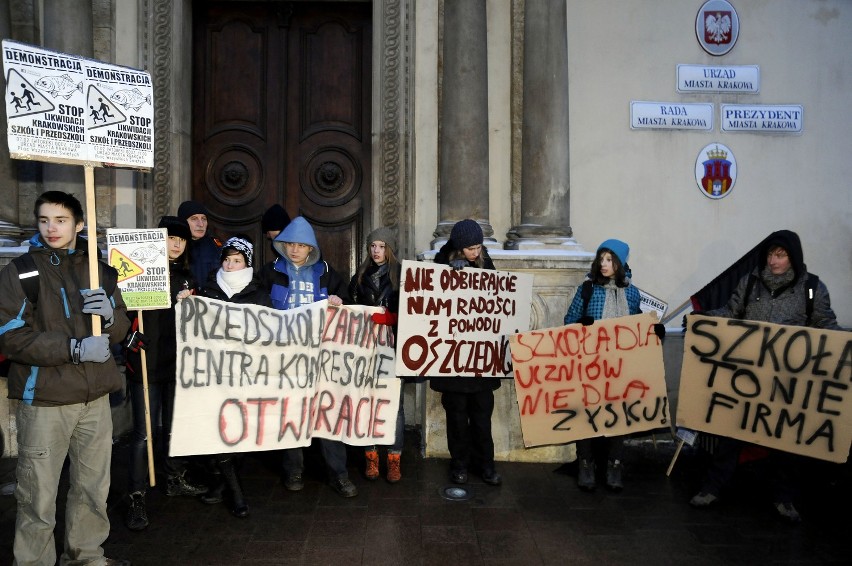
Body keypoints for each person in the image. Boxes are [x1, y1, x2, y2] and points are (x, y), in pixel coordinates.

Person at [0, 191, 131, 566]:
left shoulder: (101, 270)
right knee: (37, 496)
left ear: (79, 224)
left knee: (92, 490)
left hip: (96, 399)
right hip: (46, 400)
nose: (51, 228)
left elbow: (120, 327)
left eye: (60, 220)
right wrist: (73, 348)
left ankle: (85, 556)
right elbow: (9, 335)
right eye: (44, 220)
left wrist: (109, 317)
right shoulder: (22, 271)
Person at [688, 229, 842, 523]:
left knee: (787, 442)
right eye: (771, 254)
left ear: (793, 257)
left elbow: (825, 324)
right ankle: (712, 488)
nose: (774, 260)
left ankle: (784, 498)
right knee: (730, 433)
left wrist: (843, 344)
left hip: (787, 381)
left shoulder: (811, 288)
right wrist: (705, 318)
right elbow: (731, 313)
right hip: (748, 378)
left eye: (781, 255)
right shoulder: (749, 284)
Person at [259, 216, 358, 498]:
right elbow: (255, 306)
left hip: (322, 359)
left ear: (310, 248)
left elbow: (348, 305)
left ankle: (339, 474)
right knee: (292, 413)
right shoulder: (270, 272)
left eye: (301, 245)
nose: (294, 250)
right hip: (285, 359)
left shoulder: (327, 274)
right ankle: (293, 469)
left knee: (328, 413)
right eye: (290, 243)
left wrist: (341, 303)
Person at [124, 216, 208, 532]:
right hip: (145, 364)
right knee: (144, 432)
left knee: (175, 427)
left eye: (181, 240)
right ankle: (136, 495)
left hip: (177, 366)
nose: (175, 244)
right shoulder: (139, 274)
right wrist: (128, 336)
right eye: (171, 238)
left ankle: (175, 478)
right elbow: (122, 313)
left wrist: (192, 304)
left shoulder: (187, 278)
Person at [197, 236, 272, 517]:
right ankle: (236, 494)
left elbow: (269, 335)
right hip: (212, 372)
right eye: (226, 260)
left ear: (247, 263)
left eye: (237, 260)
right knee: (218, 430)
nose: (230, 265)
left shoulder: (259, 295)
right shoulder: (207, 290)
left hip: (245, 375)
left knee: (238, 432)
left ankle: (220, 483)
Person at [563, 239, 643, 492]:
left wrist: (655, 331)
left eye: (610, 260)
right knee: (586, 414)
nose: (604, 264)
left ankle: (614, 465)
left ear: (620, 264)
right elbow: (569, 321)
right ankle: (585, 464)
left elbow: (638, 328)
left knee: (617, 416)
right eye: (602, 259)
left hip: (620, 367)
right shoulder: (587, 289)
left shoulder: (631, 292)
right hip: (590, 364)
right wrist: (581, 324)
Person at [430, 219, 502, 486]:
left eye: (479, 247)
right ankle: (459, 465)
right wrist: (448, 273)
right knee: (457, 420)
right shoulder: (440, 264)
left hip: (481, 362)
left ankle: (486, 465)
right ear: (459, 248)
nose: (476, 252)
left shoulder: (486, 263)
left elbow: (498, 299)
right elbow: (431, 302)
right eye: (471, 249)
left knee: (482, 420)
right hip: (453, 362)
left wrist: (473, 269)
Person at [348, 227, 405, 483]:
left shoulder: (403, 276)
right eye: (373, 246)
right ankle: (370, 456)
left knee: (395, 405)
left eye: (381, 246)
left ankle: (394, 459)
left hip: (393, 348)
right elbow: (349, 310)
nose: (376, 251)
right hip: (365, 347)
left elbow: (413, 312)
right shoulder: (360, 277)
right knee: (367, 401)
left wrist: (390, 318)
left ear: (389, 249)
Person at [178, 200, 222, 285]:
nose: (201, 224)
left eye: (204, 219)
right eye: (194, 219)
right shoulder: (175, 247)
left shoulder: (216, 247)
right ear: (183, 221)